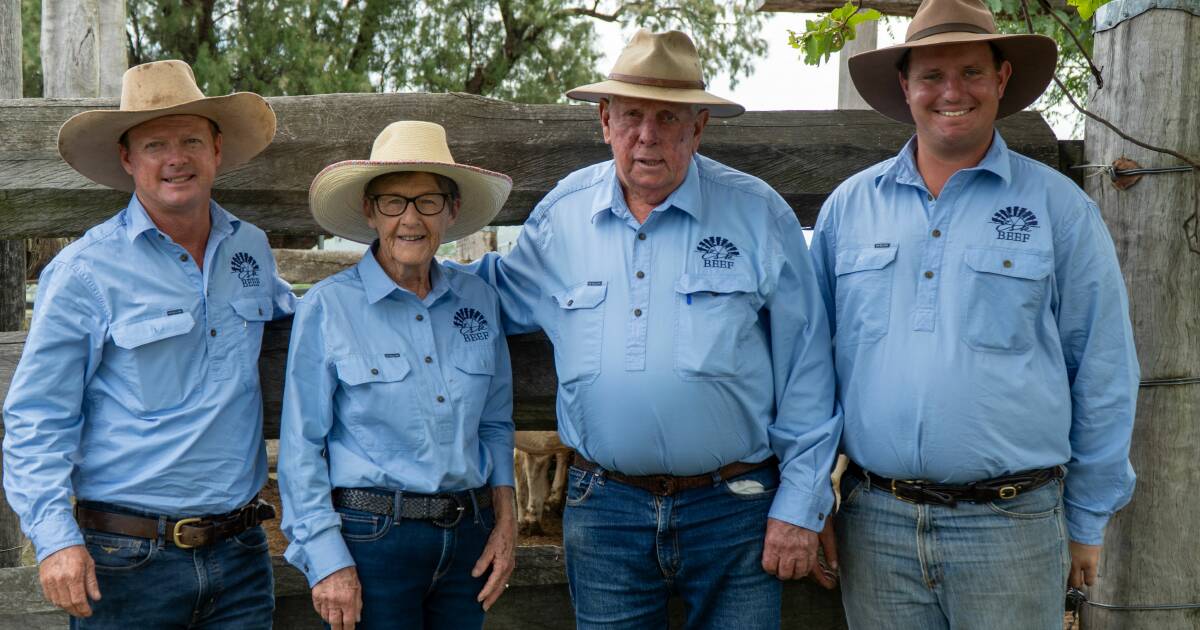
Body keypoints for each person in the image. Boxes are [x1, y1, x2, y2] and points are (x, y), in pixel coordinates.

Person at [463, 29, 840, 629]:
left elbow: (808, 368)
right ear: (605, 121)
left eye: (668, 117)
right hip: (604, 510)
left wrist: (801, 504)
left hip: (736, 510)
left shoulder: (756, 214)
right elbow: (489, 299)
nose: (647, 135)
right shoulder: (564, 217)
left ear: (699, 127)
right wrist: (389, 279)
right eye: (632, 115)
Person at [810, 0, 1139, 627]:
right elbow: (808, 371)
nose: (951, 91)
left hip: (1012, 526)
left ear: (1002, 79)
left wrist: (1087, 519)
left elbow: (1103, 369)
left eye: (970, 72)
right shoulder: (849, 210)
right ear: (905, 86)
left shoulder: (1059, 211)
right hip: (875, 521)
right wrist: (812, 500)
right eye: (931, 76)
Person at [2, 59, 294, 628]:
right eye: (155, 143)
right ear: (128, 159)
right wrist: (55, 537)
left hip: (240, 554)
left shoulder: (250, 250)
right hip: (124, 560)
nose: (175, 157)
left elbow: (308, 318)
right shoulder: (87, 271)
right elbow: (37, 414)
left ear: (215, 149)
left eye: (190, 139)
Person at [279, 120, 517, 630]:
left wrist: (506, 522)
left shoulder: (479, 301)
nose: (410, 218)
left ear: (452, 211)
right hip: (370, 540)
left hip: (469, 537)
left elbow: (495, 424)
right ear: (369, 210)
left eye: (428, 201)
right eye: (393, 201)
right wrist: (327, 559)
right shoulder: (328, 308)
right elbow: (302, 444)